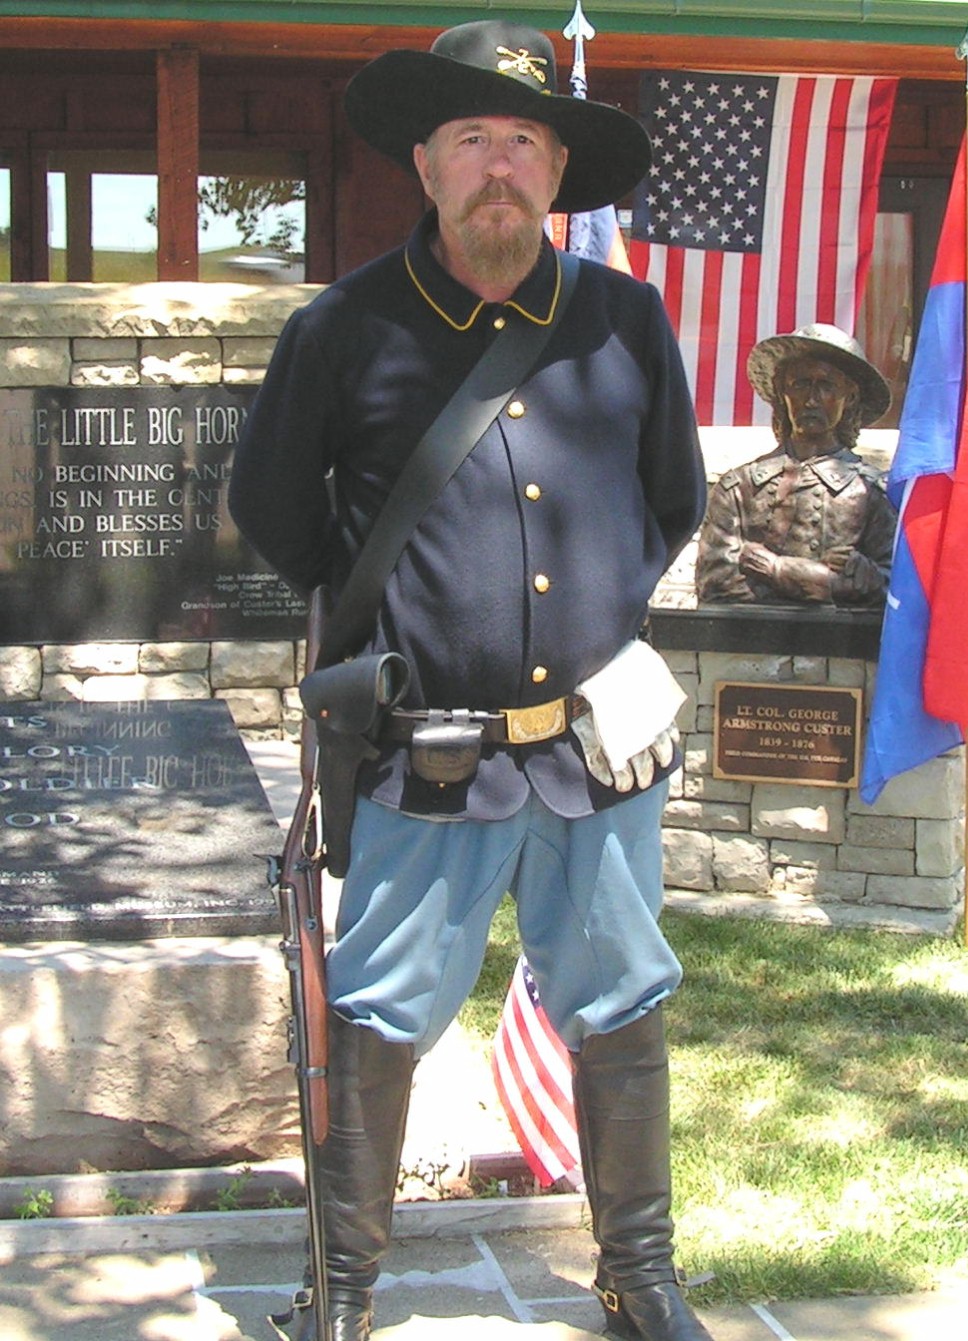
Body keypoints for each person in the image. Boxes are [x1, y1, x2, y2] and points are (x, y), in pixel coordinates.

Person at [228, 20, 712, 1341]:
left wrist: (604, 615)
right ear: (425, 166)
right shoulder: (343, 329)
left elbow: (671, 498)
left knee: (621, 999)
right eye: (471, 142)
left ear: (555, 169)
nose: (499, 168)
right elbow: (271, 504)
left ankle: (639, 1277)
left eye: (523, 143)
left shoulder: (624, 321)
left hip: (596, 755)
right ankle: (341, 1295)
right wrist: (395, 614)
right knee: (380, 1012)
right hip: (425, 754)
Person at [695, 324, 896, 607]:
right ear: (782, 393)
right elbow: (716, 584)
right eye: (800, 384)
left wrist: (777, 569)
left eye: (826, 386)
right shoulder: (739, 487)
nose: (811, 399)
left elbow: (892, 593)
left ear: (849, 397)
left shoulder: (874, 493)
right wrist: (839, 586)